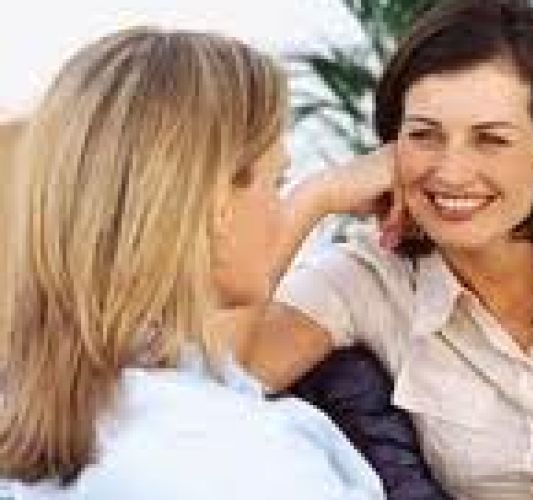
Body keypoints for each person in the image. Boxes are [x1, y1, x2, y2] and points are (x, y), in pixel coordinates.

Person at [244, 0, 533, 498]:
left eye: (491, 140)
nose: (452, 172)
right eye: (424, 136)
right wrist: (316, 197)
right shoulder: (368, 280)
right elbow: (215, 380)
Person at [0, 27, 385, 499]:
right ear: (218, 206)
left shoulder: (57, 415)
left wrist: (319, 197)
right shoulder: (240, 459)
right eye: (276, 183)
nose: (280, 210)